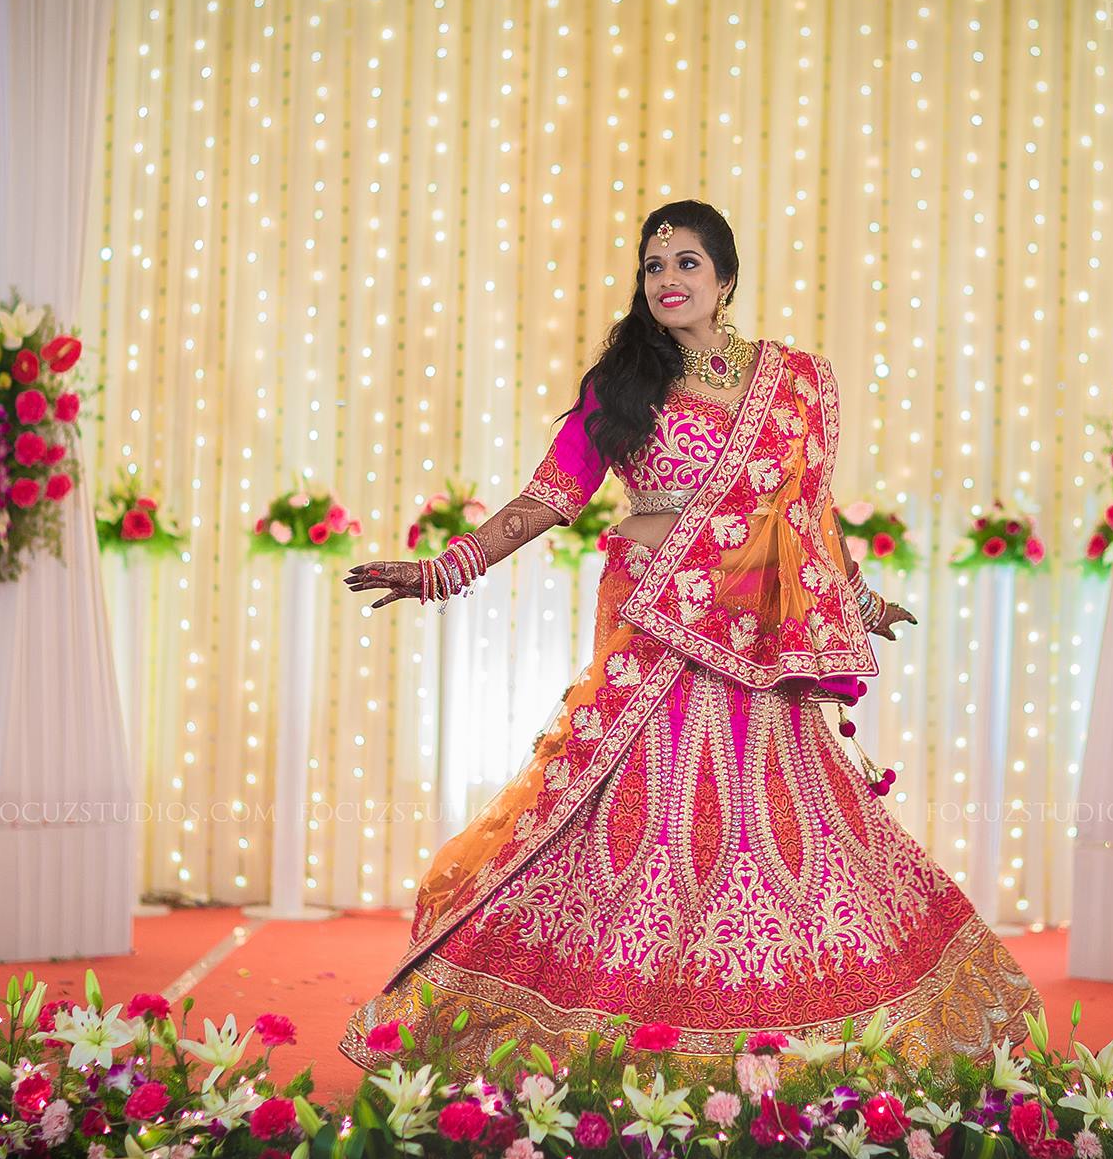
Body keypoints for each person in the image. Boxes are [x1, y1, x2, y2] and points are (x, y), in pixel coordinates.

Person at [340, 200, 1040, 1069]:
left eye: (687, 264)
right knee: (634, 821)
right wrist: (448, 566)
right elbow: (548, 498)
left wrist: (856, 597)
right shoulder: (622, 385)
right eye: (652, 265)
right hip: (655, 631)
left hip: (754, 647)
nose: (667, 279)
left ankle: (784, 1033)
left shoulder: (792, 383)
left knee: (776, 826)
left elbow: (806, 511)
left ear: (727, 279)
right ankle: (602, 1025)